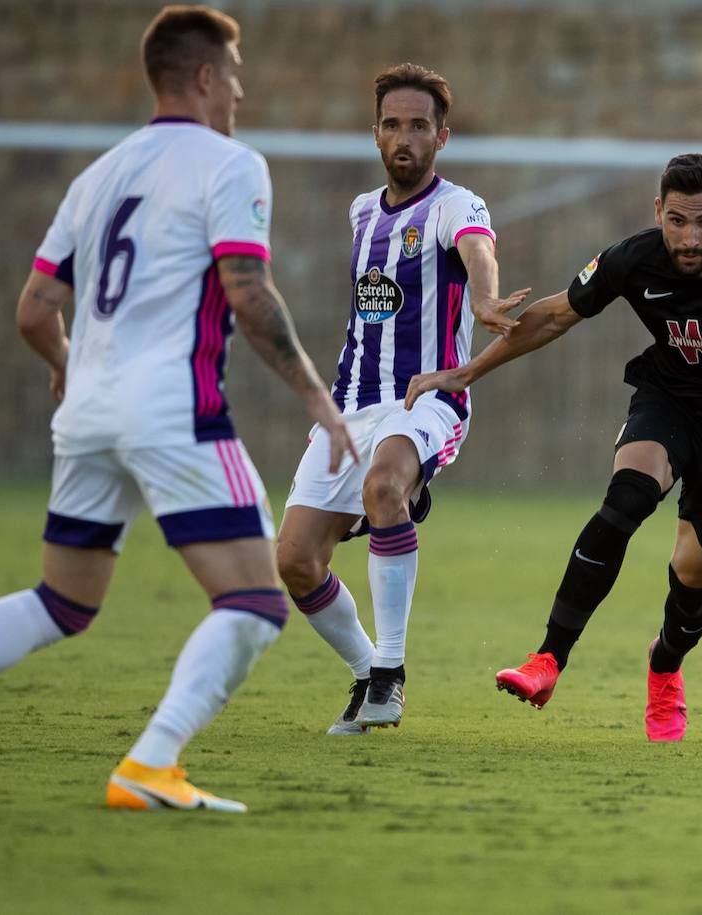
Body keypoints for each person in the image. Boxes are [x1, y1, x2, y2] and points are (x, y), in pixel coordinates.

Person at [0, 5, 359, 812]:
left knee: (60, 600)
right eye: (236, 75)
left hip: (87, 414)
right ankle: (149, 764)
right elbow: (248, 294)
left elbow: (34, 310)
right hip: (173, 410)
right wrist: (319, 400)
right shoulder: (231, 165)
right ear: (207, 77)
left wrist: (69, 367)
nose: (243, 93)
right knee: (253, 603)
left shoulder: (98, 175)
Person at [405, 153, 702, 741]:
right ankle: (548, 660)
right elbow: (554, 316)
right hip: (669, 399)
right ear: (658, 212)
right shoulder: (633, 257)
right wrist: (467, 372)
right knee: (627, 497)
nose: (691, 237)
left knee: (695, 571)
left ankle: (665, 664)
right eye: (678, 220)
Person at [274, 63, 528, 734]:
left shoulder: (457, 205)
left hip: (426, 398)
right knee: (295, 559)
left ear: (441, 136)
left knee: (386, 483)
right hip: (352, 400)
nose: (405, 138)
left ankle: (390, 670)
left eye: (419, 125)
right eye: (393, 125)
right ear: (376, 134)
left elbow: (477, 253)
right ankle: (365, 671)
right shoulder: (361, 212)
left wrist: (483, 296)